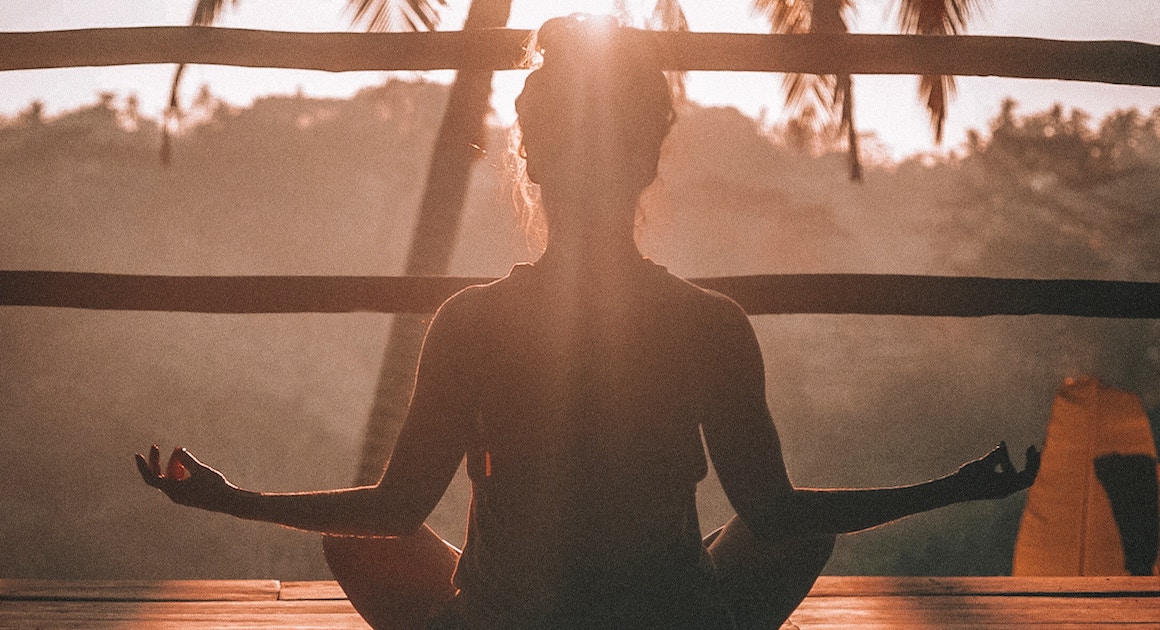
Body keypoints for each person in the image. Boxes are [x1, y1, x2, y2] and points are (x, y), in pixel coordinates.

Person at [137, 14, 1039, 630]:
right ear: (648, 160)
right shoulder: (708, 322)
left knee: (352, 541)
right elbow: (774, 511)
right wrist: (950, 488)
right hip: (668, 621)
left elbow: (395, 508)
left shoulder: (473, 321)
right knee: (803, 530)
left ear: (531, 164)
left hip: (507, 624)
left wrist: (230, 498)